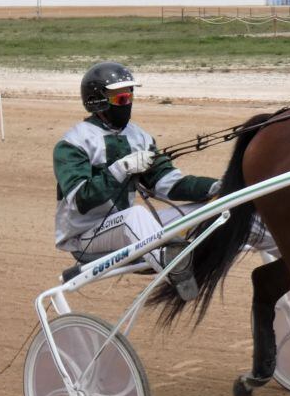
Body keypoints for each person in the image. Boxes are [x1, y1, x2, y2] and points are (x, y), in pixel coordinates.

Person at [54, 61, 217, 299]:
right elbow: (81, 199)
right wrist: (122, 168)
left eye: (130, 96)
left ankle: (184, 255)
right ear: (98, 101)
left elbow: (167, 183)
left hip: (129, 229)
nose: (127, 103)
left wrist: (216, 187)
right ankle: (175, 268)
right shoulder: (72, 144)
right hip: (86, 236)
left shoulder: (139, 136)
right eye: (121, 99)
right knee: (135, 215)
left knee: (211, 208)